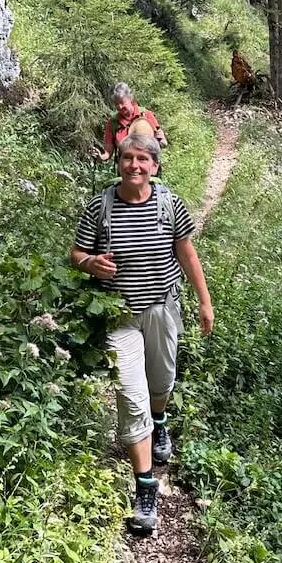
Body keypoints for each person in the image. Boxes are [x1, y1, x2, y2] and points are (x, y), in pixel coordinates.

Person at [70, 134, 214, 535]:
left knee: (161, 383)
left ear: (154, 166)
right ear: (118, 162)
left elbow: (186, 253)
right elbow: (77, 253)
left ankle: (160, 419)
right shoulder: (100, 206)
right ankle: (146, 487)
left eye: (142, 159)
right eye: (127, 158)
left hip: (162, 309)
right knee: (131, 397)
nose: (134, 165)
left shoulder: (169, 204)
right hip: (118, 316)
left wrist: (205, 302)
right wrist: (90, 263)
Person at [93, 82, 168, 162]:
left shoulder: (146, 115)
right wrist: (101, 157)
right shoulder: (113, 123)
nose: (120, 107)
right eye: (116, 104)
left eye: (122, 102)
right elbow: (108, 152)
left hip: (147, 165)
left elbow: (162, 143)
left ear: (130, 98)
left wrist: (160, 141)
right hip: (126, 166)